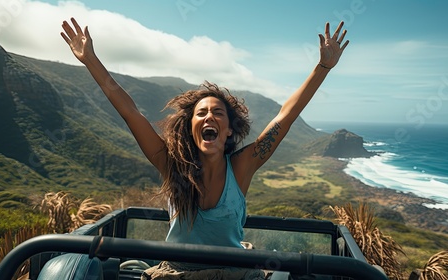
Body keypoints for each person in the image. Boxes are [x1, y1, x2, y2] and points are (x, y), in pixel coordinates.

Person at [61, 17, 349, 280]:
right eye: (201, 113)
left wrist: (322, 67)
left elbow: (285, 116)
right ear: (191, 128)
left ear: (229, 130)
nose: (209, 116)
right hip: (177, 273)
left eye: (217, 113)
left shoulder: (241, 167)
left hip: (235, 273)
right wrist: (91, 61)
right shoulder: (171, 165)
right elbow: (131, 113)